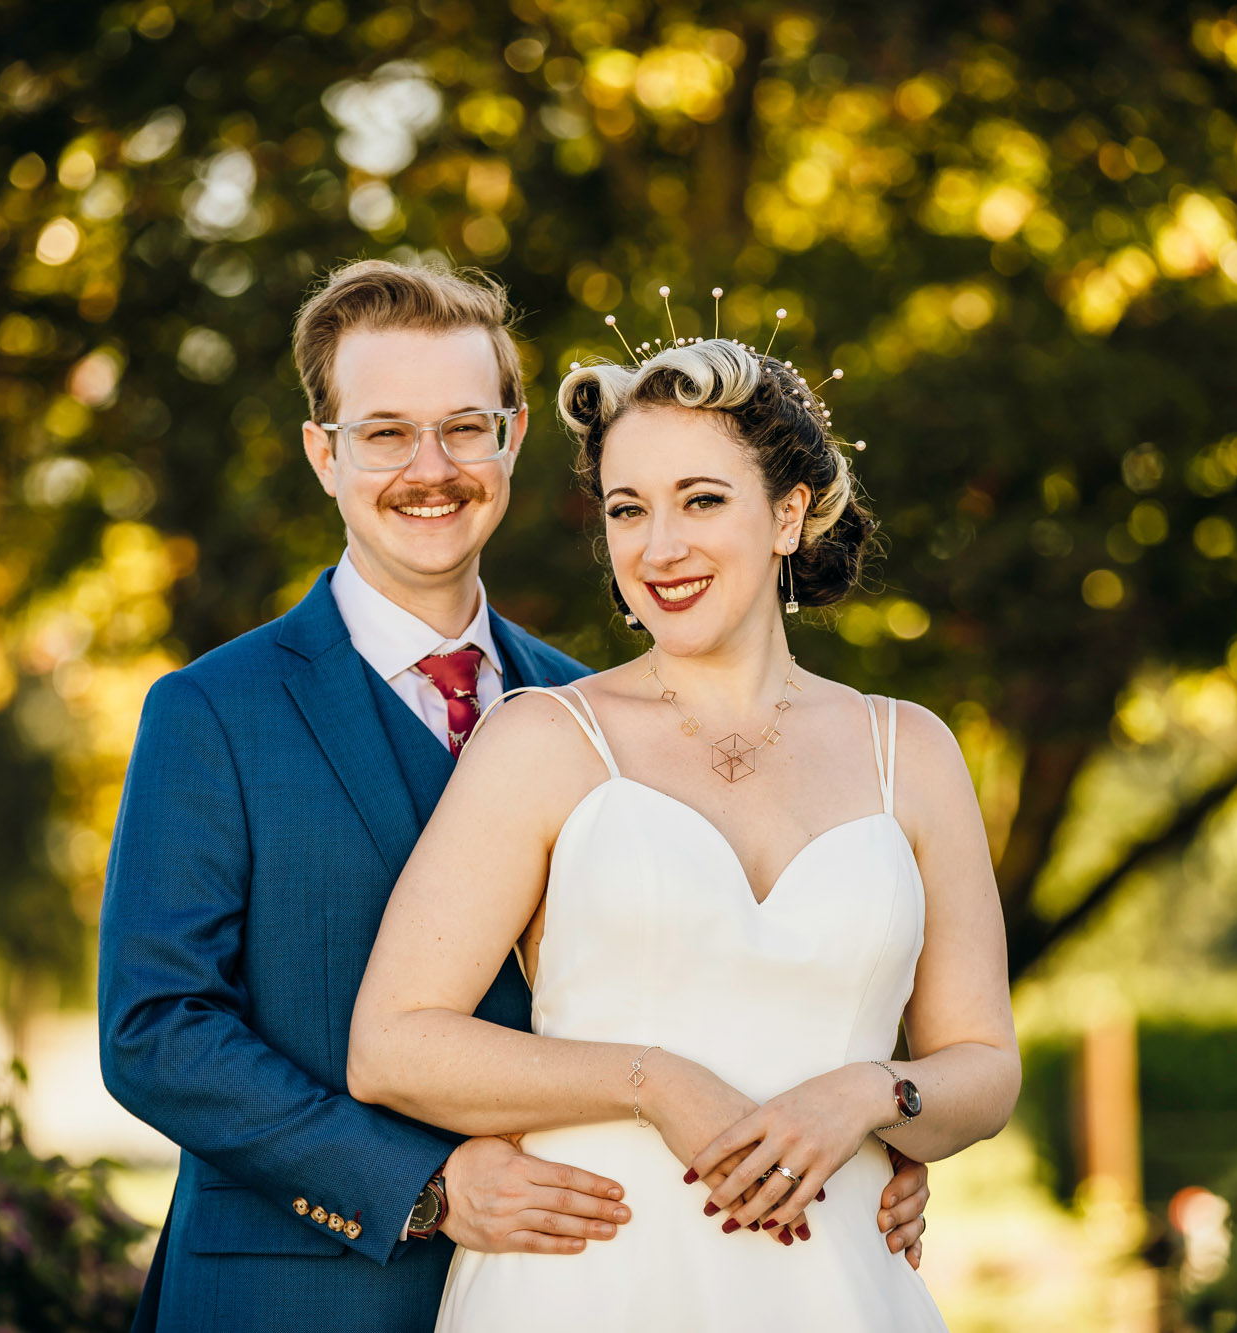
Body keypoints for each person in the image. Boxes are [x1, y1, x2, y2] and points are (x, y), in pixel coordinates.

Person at [97, 260, 929, 1332]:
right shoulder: (211, 711)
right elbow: (156, 1030)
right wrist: (426, 1183)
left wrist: (871, 1144)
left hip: (588, 1282)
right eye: (384, 432)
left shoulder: (600, 714)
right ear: (323, 452)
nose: (428, 468)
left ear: (514, 437)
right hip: (295, 1287)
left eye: (462, 426)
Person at [349, 337, 1021, 1330]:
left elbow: (983, 1066)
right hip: (585, 1284)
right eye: (627, 509)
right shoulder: (542, 739)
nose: (657, 548)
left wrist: (866, 1094)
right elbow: (391, 1047)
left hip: (835, 1288)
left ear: (788, 512)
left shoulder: (909, 751)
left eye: (700, 500)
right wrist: (649, 1081)